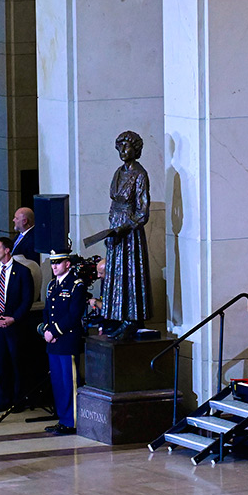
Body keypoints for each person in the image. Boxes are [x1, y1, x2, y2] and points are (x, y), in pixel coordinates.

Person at [102, 130, 152, 339]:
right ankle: (117, 316)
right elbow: (114, 202)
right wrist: (112, 226)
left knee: (130, 274)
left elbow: (143, 212)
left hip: (130, 233)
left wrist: (124, 227)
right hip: (116, 228)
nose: (123, 150)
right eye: (120, 146)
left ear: (136, 149)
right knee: (115, 273)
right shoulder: (118, 172)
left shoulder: (139, 174)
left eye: (127, 146)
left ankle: (131, 319)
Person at [0, 237, 33, 412]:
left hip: (15, 326)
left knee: (17, 363)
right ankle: (2, 399)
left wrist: (13, 318)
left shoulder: (23, 272)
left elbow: (27, 300)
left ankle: (18, 400)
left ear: (7, 250)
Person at [41, 250, 87, 434]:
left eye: (58, 263)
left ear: (67, 264)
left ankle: (72, 421)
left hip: (67, 340)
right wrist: (46, 330)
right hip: (53, 342)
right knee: (58, 382)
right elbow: (47, 311)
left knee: (70, 382)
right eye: (53, 263)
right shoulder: (52, 285)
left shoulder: (76, 285)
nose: (54, 266)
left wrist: (54, 331)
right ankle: (63, 418)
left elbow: (74, 315)